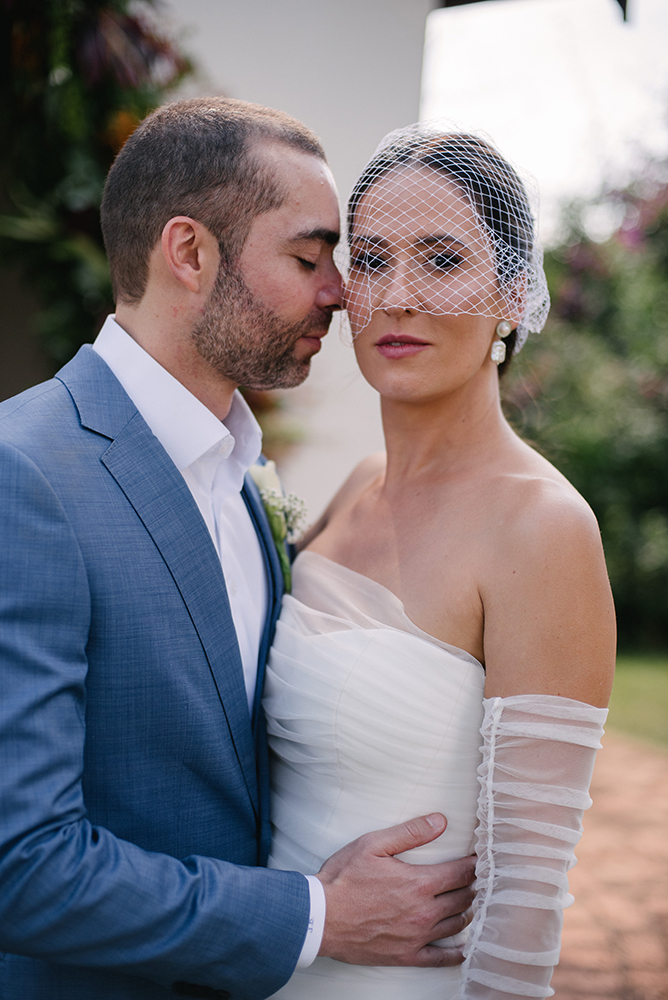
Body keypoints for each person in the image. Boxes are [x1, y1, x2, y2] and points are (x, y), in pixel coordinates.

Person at [0, 101, 477, 1000]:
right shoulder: (24, 474)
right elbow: (21, 866)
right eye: (308, 257)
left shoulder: (249, 480)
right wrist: (316, 918)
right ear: (189, 252)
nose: (342, 291)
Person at [264, 124, 616, 999]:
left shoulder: (543, 529)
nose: (400, 296)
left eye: (443, 260)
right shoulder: (354, 488)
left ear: (511, 292)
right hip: (272, 961)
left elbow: (526, 904)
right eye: (373, 260)